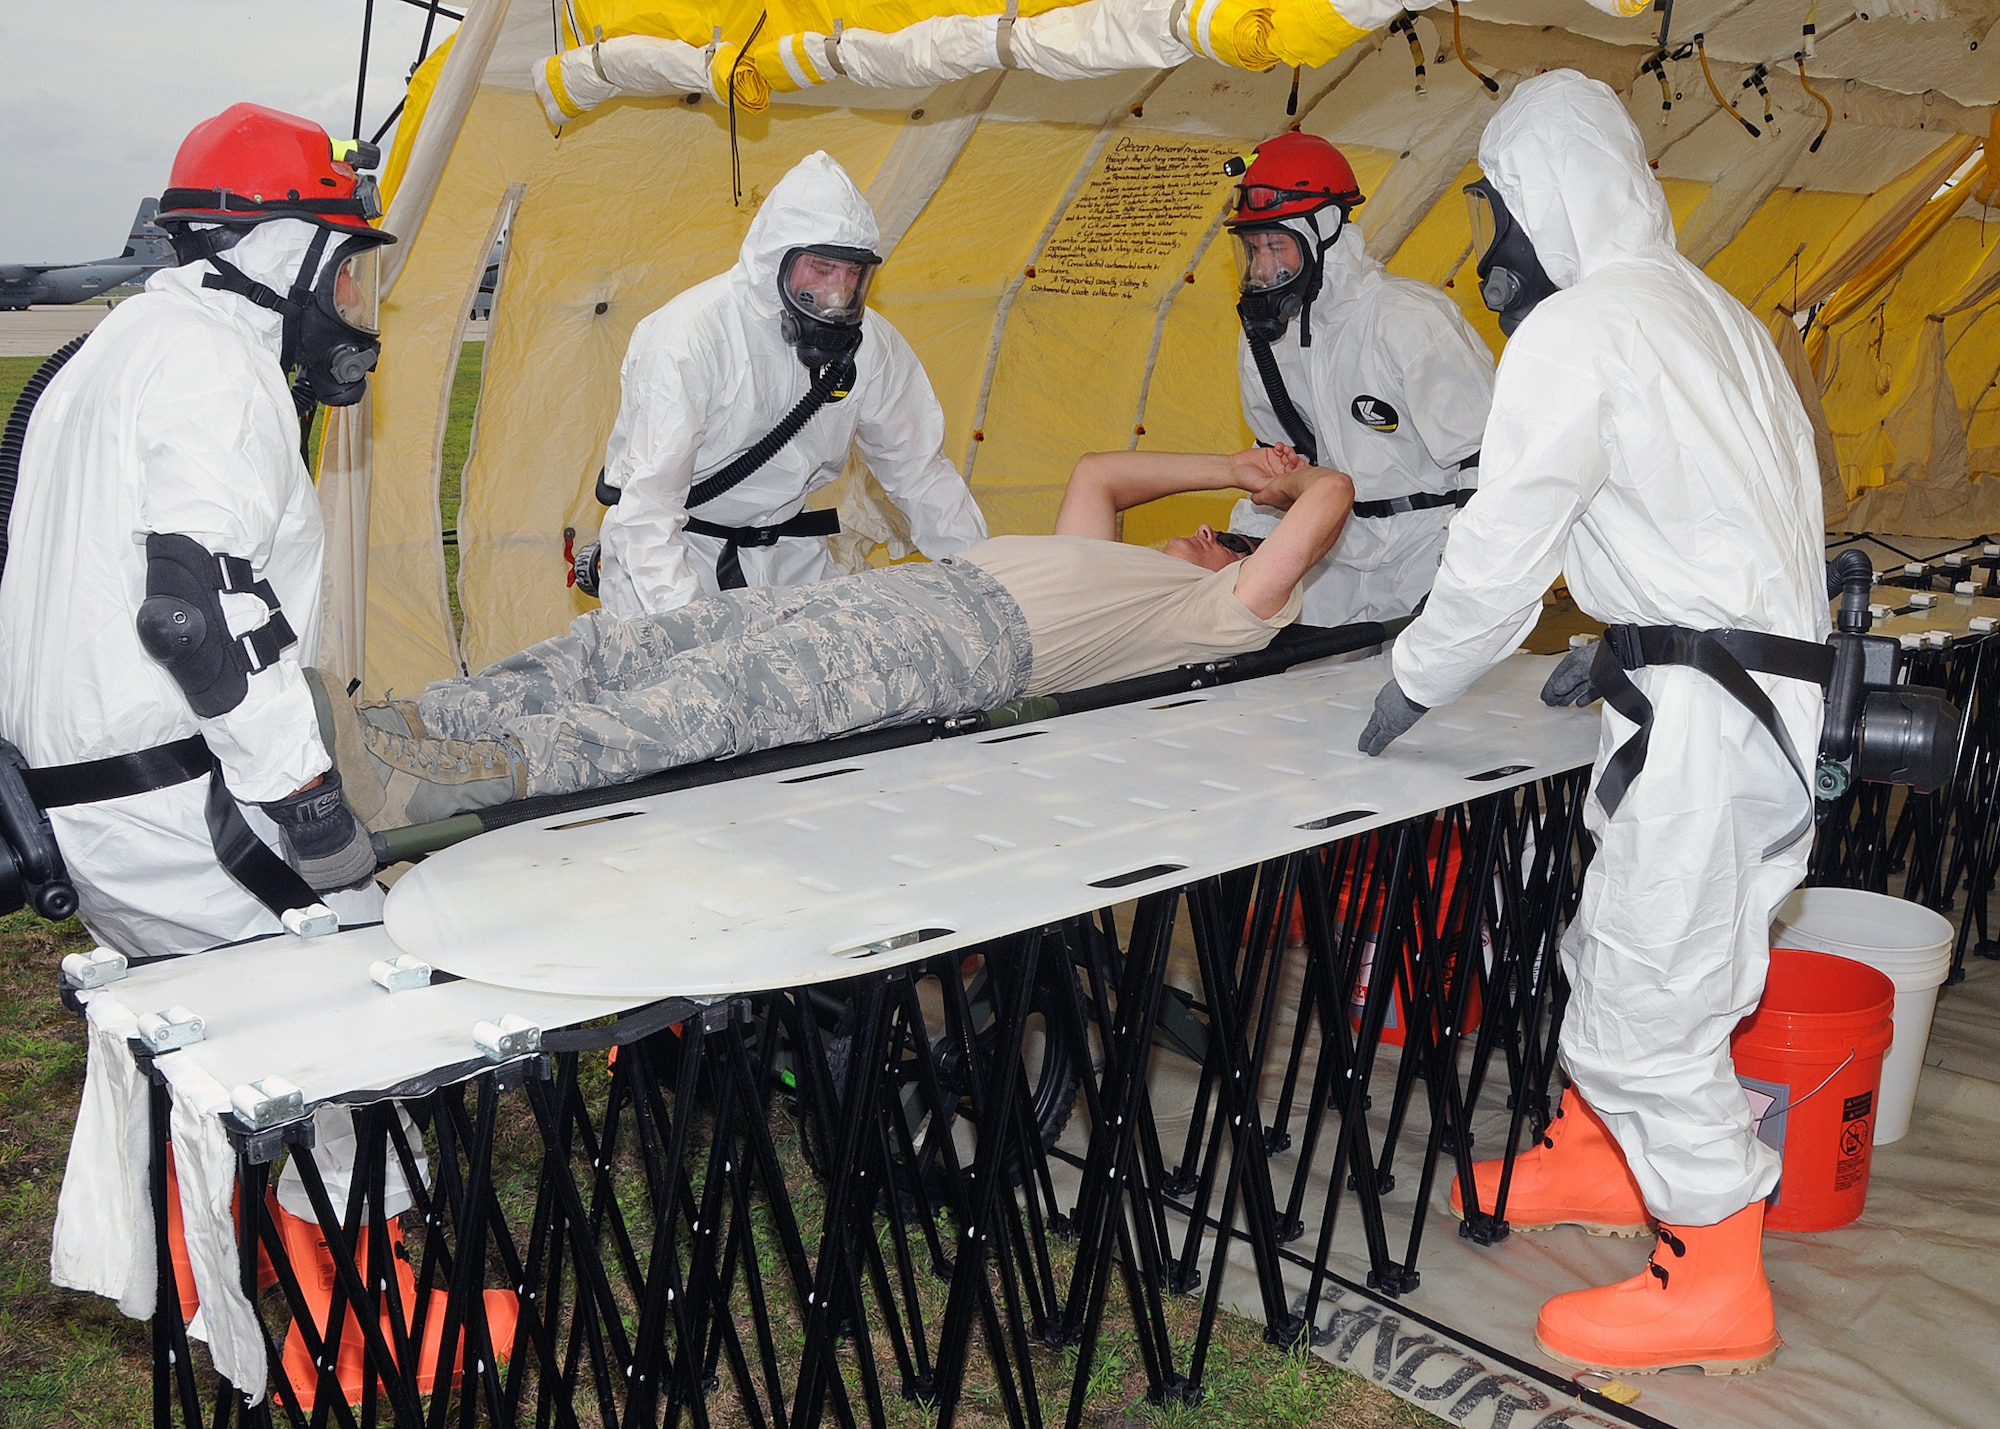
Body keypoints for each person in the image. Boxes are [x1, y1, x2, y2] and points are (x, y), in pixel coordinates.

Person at [1357, 71, 1827, 1377]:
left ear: (1545, 202)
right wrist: (1625, 642)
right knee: (1625, 937)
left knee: (1656, 990)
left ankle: (1714, 1274)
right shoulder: (1712, 313)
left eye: (1495, 214)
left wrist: (1419, 675)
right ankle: (1600, 1158)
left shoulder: (1581, 332)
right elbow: (1721, 521)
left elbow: (1502, 548)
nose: (1487, 250)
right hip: (1734, 692)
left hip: (1706, 713)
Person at [344, 448, 1354, 823]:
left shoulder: (1209, 615)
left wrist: (1288, 488)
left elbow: (1331, 502)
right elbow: (1096, 471)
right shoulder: (1123, 565)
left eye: (1219, 540)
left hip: (960, 645)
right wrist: (1230, 466)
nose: (1196, 533)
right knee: (645, 643)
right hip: (909, 593)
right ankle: (422, 723)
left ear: (1250, 582)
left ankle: (469, 773)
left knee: (710, 698)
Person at [0, 103, 390, 959]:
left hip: (88, 807)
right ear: (286, 251)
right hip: (182, 811)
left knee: (202, 1058)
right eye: (346, 269)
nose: (353, 301)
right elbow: (194, 611)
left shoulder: (121, 343)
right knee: (361, 995)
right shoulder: (214, 363)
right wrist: (309, 804)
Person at [586, 150, 988, 614]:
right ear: (776, 260)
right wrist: (688, 628)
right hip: (672, 556)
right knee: (686, 684)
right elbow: (650, 511)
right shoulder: (690, 337)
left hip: (791, 556)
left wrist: (985, 580)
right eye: (821, 270)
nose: (838, 294)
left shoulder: (871, 345)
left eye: (853, 274)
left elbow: (921, 473)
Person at [1220, 131, 1494, 626]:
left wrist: (1463, 582)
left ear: (1323, 229)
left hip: (1427, 552)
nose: (1263, 268)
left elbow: (1487, 468)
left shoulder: (1409, 322)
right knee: (1290, 691)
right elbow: (1278, 468)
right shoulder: (1263, 343)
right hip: (1333, 556)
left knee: (1432, 697)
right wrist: (1244, 543)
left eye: (1277, 246)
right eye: (1254, 249)